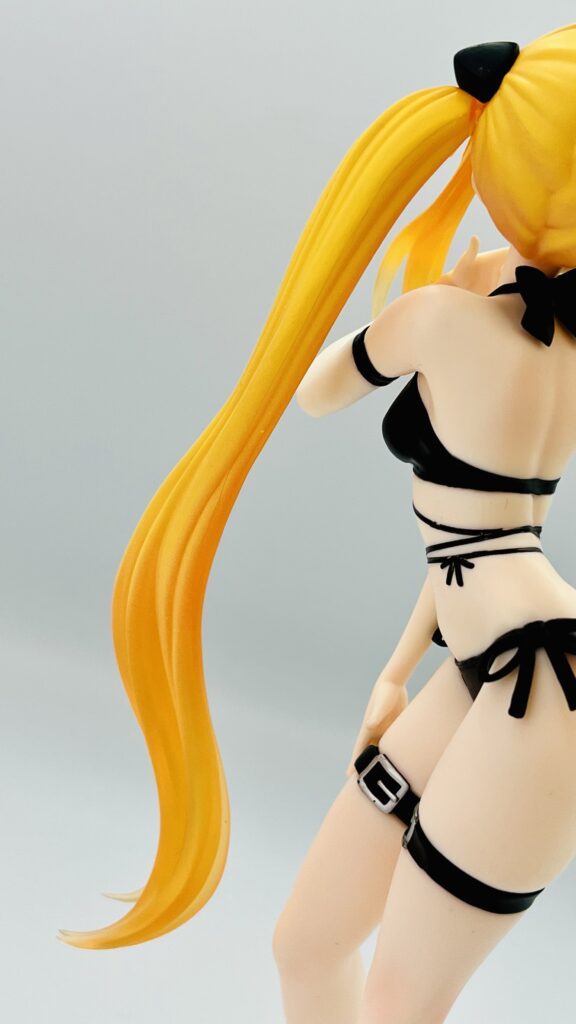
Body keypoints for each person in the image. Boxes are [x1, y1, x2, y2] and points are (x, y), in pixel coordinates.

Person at [59, 22, 576, 1024]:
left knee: (399, 1000)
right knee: (306, 945)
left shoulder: (441, 317)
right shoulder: (560, 339)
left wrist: (444, 294)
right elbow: (486, 536)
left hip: (537, 690)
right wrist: (396, 670)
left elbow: (319, 387)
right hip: (481, 666)